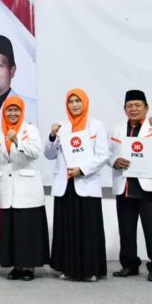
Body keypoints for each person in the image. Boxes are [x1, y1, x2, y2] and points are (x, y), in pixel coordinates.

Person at [45, 88, 109, 282]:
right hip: (65, 185)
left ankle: (90, 270)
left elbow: (103, 155)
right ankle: (67, 268)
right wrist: (52, 135)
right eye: (71, 101)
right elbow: (49, 154)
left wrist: (82, 169)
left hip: (86, 182)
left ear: (85, 102)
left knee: (88, 228)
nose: (74, 105)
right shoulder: (61, 127)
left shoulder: (96, 126)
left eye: (78, 101)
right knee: (66, 228)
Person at [109, 89, 152, 281]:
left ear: (146, 108)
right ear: (124, 109)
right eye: (129, 106)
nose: (134, 109)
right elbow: (108, 153)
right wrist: (114, 161)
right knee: (126, 230)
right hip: (125, 187)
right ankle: (129, 265)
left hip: (149, 188)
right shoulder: (117, 129)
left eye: (138, 105)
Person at [0, 95, 49, 280]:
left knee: (27, 228)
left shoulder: (30, 129)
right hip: (6, 186)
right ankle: (16, 266)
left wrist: (17, 141)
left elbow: (35, 152)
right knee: (11, 229)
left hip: (27, 187)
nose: (13, 113)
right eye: (9, 110)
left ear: (22, 112)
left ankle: (29, 266)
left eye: (16, 110)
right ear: (4, 112)